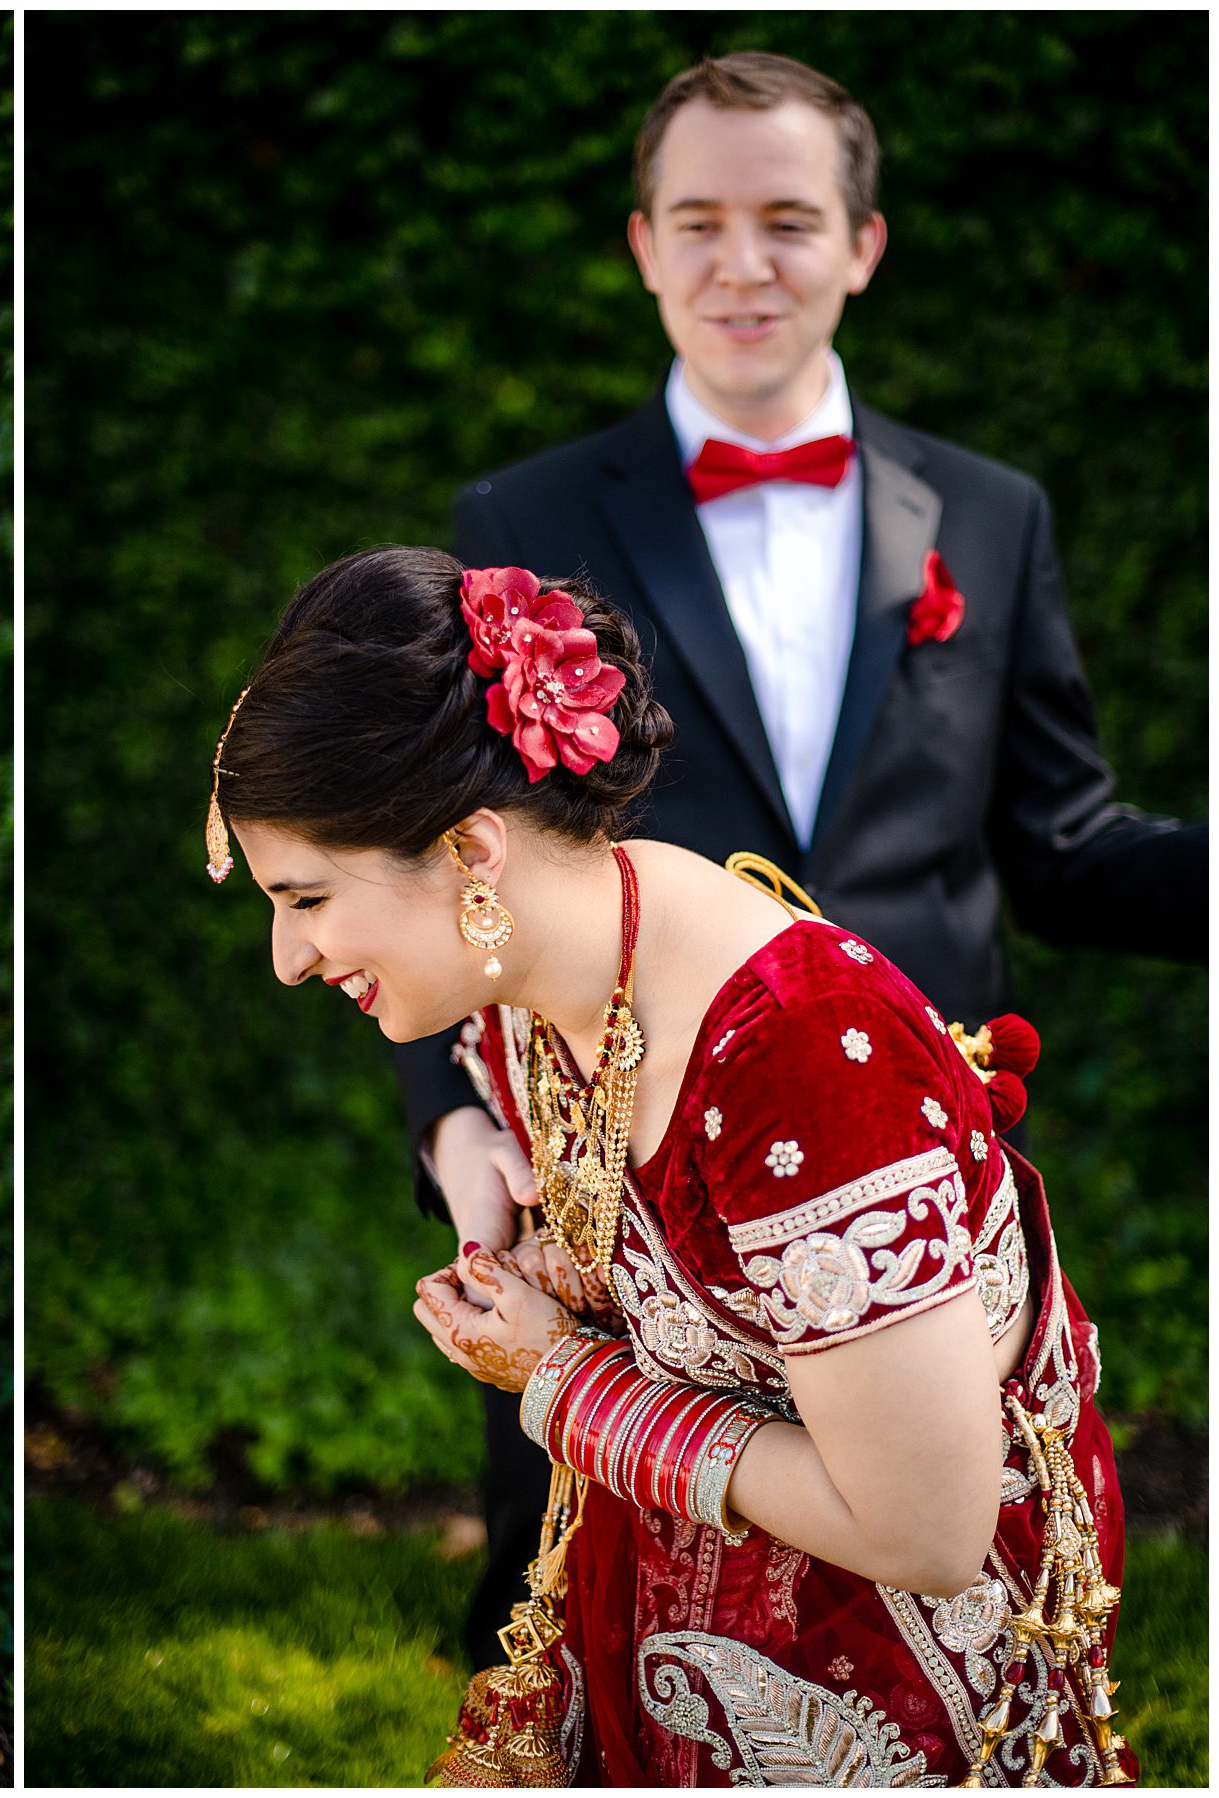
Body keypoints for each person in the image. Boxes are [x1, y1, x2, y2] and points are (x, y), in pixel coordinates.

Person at [398, 51, 1204, 1669]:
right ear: (641, 245)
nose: (742, 264)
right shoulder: (523, 510)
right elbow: (450, 870)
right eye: (698, 222)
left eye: (787, 219)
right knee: (615, 1657)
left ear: (864, 244)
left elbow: (1062, 844)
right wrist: (457, 1127)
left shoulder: (988, 513)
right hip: (630, 1195)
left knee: (915, 1633)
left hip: (901, 1197)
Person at [207, 545, 1131, 1785]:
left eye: (308, 899)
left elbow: (928, 1528)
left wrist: (564, 1380)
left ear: (475, 853)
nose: (287, 956)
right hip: (683, 1600)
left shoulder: (799, 1060)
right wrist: (529, 1205)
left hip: (888, 1672)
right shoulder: (548, 963)